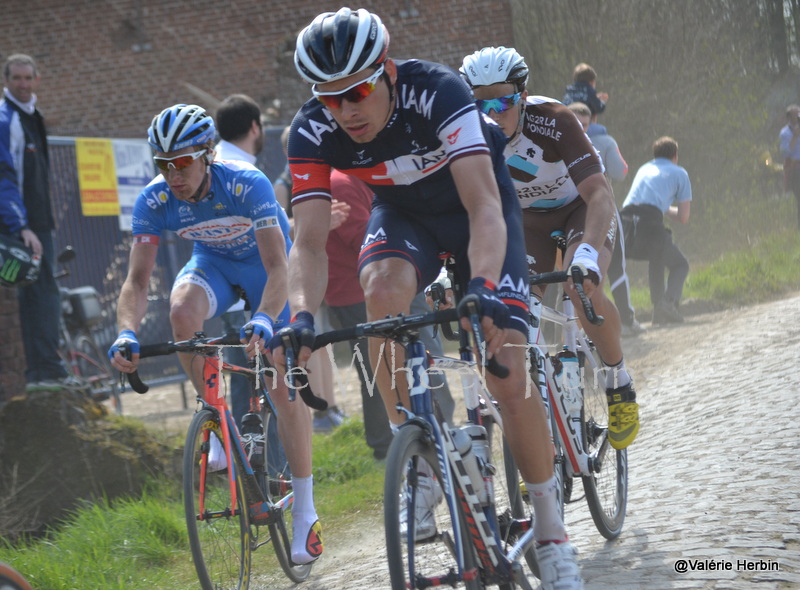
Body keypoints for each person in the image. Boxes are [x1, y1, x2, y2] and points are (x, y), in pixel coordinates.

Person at [274, 9, 582, 588]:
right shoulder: (312, 131)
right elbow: (309, 242)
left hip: (477, 213)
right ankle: (417, 458)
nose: (347, 110)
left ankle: (550, 531)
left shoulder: (437, 93)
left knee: (507, 374)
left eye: (359, 91)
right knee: (381, 293)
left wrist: (484, 288)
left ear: (386, 72)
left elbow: (485, 206)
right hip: (405, 216)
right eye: (331, 98)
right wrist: (301, 316)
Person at [108, 104, 322, 564]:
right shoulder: (154, 199)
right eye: (163, 164)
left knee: (282, 385)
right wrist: (126, 332)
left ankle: (305, 510)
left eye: (182, 163)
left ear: (207, 153)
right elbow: (137, 282)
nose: (173, 175)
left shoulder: (247, 183)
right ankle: (218, 425)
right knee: (181, 311)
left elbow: (278, 266)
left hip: (268, 271)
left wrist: (266, 317)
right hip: (215, 268)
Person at [460, 46, 639, 451]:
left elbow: (597, 193)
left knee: (580, 290)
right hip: (527, 224)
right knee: (514, 313)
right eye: (480, 103)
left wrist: (588, 254)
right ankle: (541, 429)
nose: (492, 112)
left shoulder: (554, 120)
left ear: (522, 95)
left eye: (503, 101)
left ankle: (618, 382)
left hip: (580, 209)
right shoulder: (466, 134)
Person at [323, 169, 455, 460]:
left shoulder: (368, 181)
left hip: (385, 282)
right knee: (379, 368)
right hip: (364, 290)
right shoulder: (342, 183)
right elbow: (367, 239)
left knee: (398, 363)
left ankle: (429, 434)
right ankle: (391, 444)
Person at [213, 93, 289, 476]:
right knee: (270, 385)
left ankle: (250, 475)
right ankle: (274, 475)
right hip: (249, 298)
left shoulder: (214, 163)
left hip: (225, 297)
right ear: (256, 128)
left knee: (245, 388)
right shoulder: (242, 171)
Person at [0, 54, 80, 393]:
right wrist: (21, 227)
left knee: (39, 293)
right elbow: (4, 176)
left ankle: (40, 372)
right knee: (43, 293)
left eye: (27, 78)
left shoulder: (33, 117)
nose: (22, 83)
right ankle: (47, 369)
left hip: (38, 223)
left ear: (37, 79)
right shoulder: (7, 120)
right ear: (6, 79)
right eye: (16, 78)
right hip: (25, 228)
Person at [567, 102, 643, 336]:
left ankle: (626, 321)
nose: (580, 129)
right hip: (575, 214)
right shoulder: (604, 142)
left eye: (584, 125)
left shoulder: (556, 144)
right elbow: (620, 173)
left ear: (592, 123)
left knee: (615, 266)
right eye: (576, 124)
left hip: (594, 209)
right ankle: (576, 330)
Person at [621, 136, 692, 324]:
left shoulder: (644, 168)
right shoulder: (680, 173)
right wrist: (669, 209)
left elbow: (646, 200)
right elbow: (683, 217)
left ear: (655, 155)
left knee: (657, 256)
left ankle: (658, 312)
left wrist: (664, 207)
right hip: (649, 221)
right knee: (680, 264)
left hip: (624, 221)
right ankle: (667, 304)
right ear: (675, 156)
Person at [778, 104, 800, 228]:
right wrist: (795, 136)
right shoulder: (785, 133)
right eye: (796, 114)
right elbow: (785, 152)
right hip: (795, 168)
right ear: (789, 117)